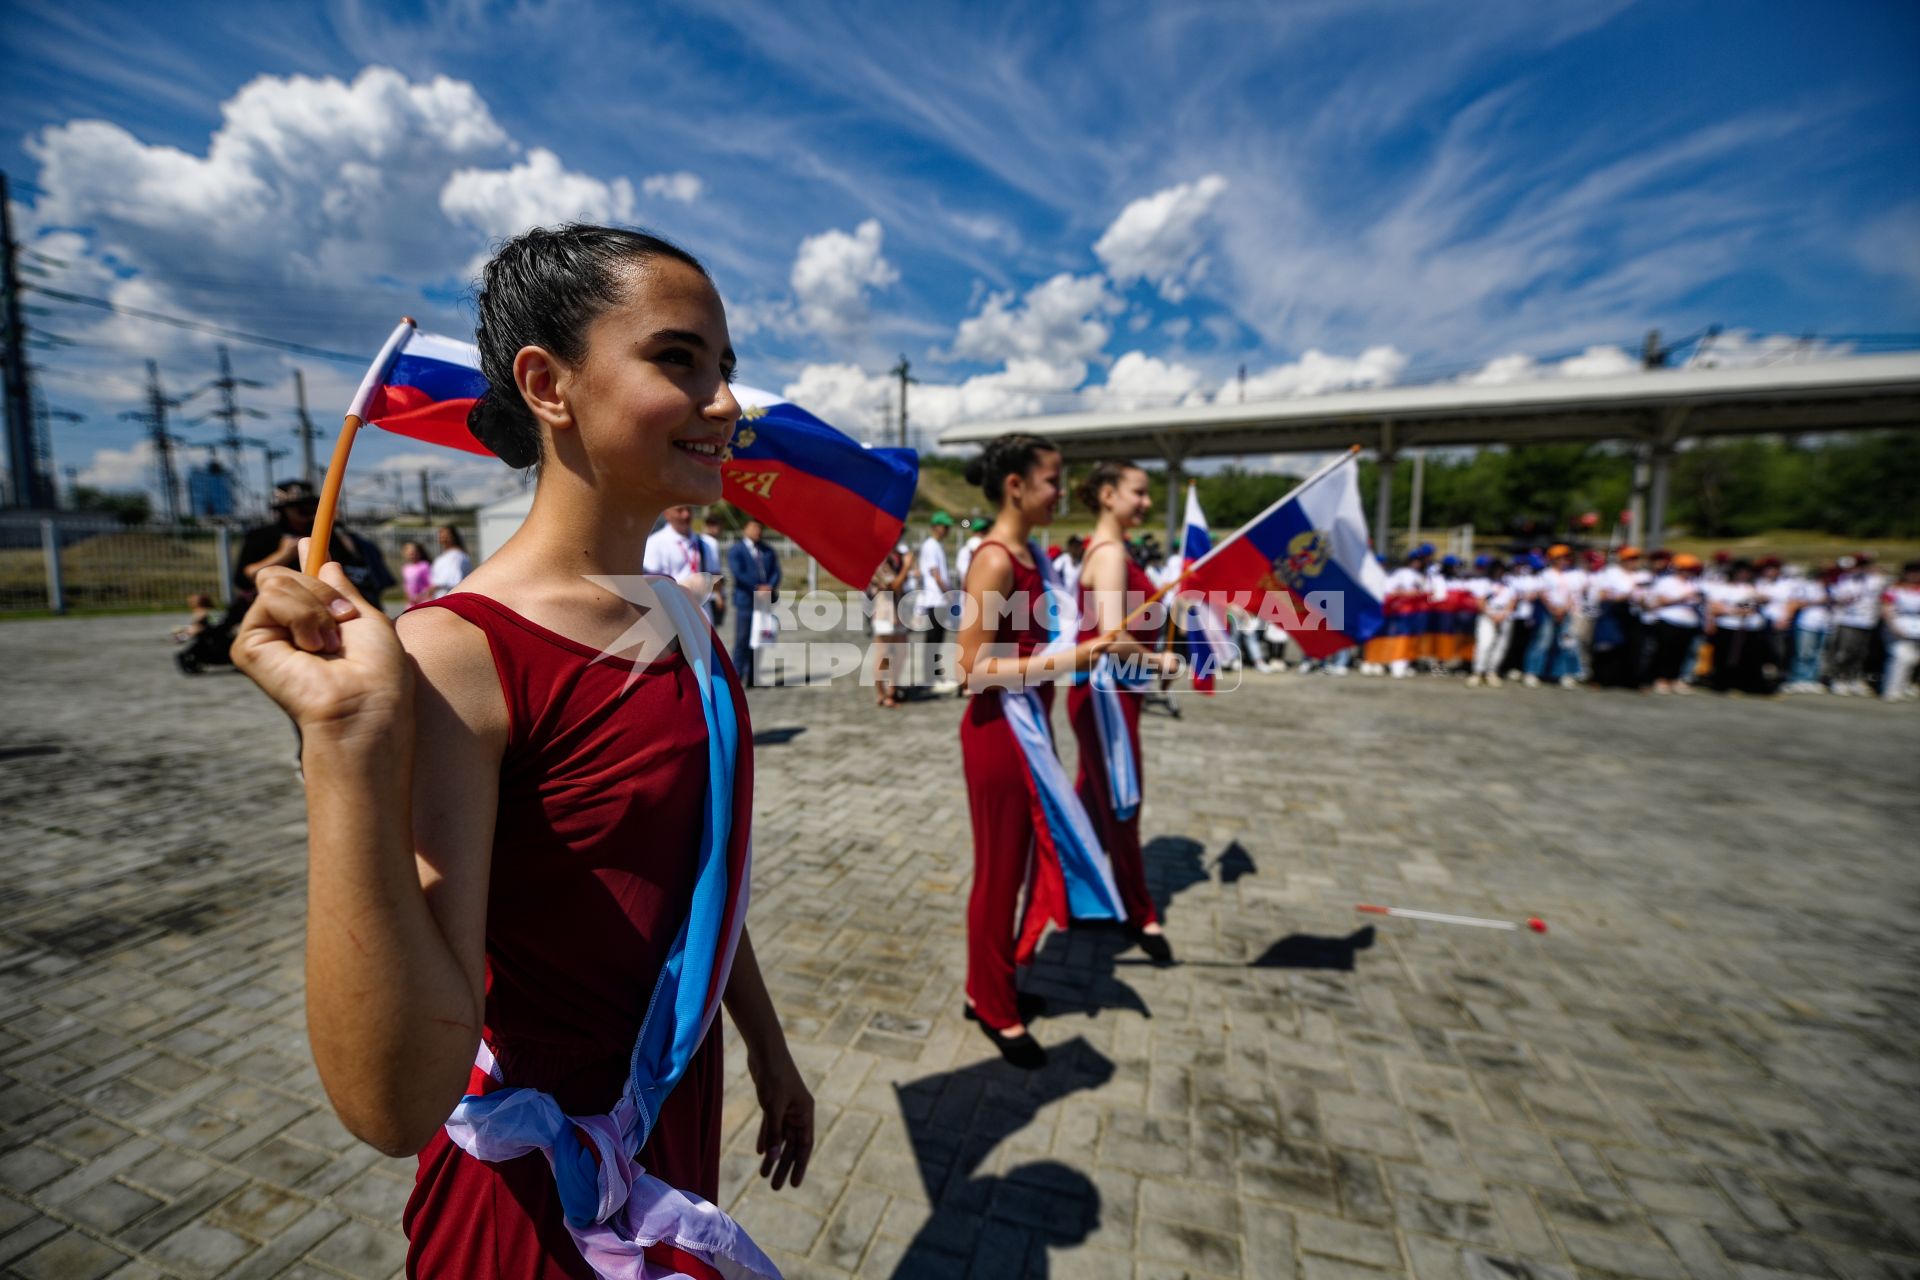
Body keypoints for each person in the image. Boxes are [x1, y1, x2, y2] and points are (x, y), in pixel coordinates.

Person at [229, 224, 809, 1278]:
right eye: (679, 360)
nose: (726, 401)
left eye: (724, 369)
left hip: (671, 1118)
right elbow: (395, 1100)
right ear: (547, 383)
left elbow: (697, 878)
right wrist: (351, 748)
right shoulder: (457, 654)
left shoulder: (679, 616)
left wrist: (768, 1047)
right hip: (527, 1205)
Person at [954, 435, 1122, 1069]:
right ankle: (994, 1006)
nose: (1061, 491)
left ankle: (989, 986)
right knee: (1000, 872)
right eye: (1053, 480)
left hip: (1028, 723)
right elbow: (969, 667)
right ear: (1016, 487)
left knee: (1018, 868)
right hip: (1000, 730)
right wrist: (1068, 659)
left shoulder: (1034, 556)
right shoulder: (994, 560)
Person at [1066, 461, 1182, 966]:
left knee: (1091, 802)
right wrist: (1160, 659)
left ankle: (1071, 893)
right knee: (1122, 801)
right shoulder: (1110, 553)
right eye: (1140, 493)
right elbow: (1110, 639)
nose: (1148, 503)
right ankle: (1139, 912)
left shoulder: (1109, 550)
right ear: (1109, 495)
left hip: (1110, 694)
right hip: (1106, 695)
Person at [235, 479, 395, 613]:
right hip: (277, 606)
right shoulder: (262, 535)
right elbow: (245, 577)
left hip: (323, 606)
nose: (307, 511)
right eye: (299, 506)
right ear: (284, 510)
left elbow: (353, 565)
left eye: (311, 505)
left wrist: (339, 528)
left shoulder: (328, 534)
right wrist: (283, 555)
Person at [727, 517, 781, 687]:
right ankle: (736, 678)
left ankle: (753, 677)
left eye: (759, 528)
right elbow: (738, 573)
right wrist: (758, 588)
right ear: (745, 530)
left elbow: (776, 571)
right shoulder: (736, 550)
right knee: (742, 639)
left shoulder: (767, 550)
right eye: (753, 528)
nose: (757, 532)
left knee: (759, 639)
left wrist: (769, 586)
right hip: (745, 601)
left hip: (764, 602)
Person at [643, 503, 718, 622]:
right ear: (667, 514)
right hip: (671, 617)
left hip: (702, 615)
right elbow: (648, 587)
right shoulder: (654, 544)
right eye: (679, 510)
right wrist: (684, 587)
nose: (686, 515)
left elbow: (716, 579)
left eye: (689, 509)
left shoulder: (706, 543)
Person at [1825, 554, 1885, 695]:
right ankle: (1838, 678)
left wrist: (1873, 570)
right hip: (1848, 621)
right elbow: (1838, 597)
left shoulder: (1875, 580)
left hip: (1867, 621)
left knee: (1861, 653)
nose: (1862, 568)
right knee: (1845, 652)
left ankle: (1853, 678)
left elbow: (1883, 585)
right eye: (1859, 565)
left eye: (1865, 565)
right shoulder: (1845, 579)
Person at [1523, 544, 1581, 689]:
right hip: (1547, 611)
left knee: (1565, 643)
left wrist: (1564, 609)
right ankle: (1532, 672)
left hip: (1566, 612)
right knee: (1542, 641)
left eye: (1566, 557)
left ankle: (1561, 673)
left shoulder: (1573, 574)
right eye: (1559, 557)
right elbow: (1542, 593)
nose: (1563, 560)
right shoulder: (1546, 574)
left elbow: (1573, 594)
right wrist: (1553, 609)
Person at [1647, 553, 1705, 694]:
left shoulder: (1693, 583)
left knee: (1682, 653)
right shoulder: (1666, 581)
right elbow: (1659, 601)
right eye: (1687, 569)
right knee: (1666, 651)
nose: (1689, 572)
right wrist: (1683, 598)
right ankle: (1661, 679)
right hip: (1669, 621)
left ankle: (1674, 679)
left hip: (1688, 622)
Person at [867, 541, 914, 708]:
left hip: (899, 614)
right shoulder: (879, 560)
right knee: (883, 654)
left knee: (901, 654)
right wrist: (907, 567)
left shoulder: (897, 559)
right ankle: (882, 693)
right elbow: (893, 585)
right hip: (884, 614)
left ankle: (893, 689)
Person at [914, 512, 956, 695]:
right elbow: (935, 573)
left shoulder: (936, 545)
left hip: (939, 600)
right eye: (944, 526)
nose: (946, 530)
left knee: (938, 641)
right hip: (934, 599)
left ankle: (935, 673)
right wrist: (948, 593)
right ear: (935, 526)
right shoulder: (931, 546)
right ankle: (929, 677)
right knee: (932, 641)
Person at [1587, 547, 1641, 689]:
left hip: (1631, 613)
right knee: (1607, 646)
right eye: (1630, 559)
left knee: (1628, 647)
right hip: (1612, 611)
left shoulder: (1639, 575)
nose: (1633, 562)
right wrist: (1621, 597)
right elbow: (1602, 594)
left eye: (1635, 559)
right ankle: (1599, 678)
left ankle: (1622, 679)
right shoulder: (1611, 573)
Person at [1784, 565, 1834, 692]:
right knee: (1804, 653)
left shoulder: (1831, 588)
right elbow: (1796, 603)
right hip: (1807, 624)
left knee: (1818, 654)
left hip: (1824, 625)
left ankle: (1812, 679)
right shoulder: (1808, 586)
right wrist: (1817, 601)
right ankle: (1798, 678)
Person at [1468, 561, 1516, 687]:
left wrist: (1503, 614)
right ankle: (1478, 672)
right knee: (1484, 644)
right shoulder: (1484, 583)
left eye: (1501, 569)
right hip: (1488, 615)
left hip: (1504, 615)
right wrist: (1491, 615)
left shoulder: (1509, 584)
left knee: (1500, 646)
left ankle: (1492, 672)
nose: (1498, 572)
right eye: (1496, 569)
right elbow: (1480, 601)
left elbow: (1512, 601)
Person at [1881, 561, 1920, 701]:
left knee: (1912, 659)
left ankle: (1903, 686)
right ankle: (1891, 689)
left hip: (1916, 629)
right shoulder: (1894, 588)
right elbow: (1886, 609)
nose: (1915, 575)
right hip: (1898, 626)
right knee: (1900, 658)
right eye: (1912, 572)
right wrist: (1894, 627)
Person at [701, 510, 729, 632]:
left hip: (701, 593)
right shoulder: (711, 543)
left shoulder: (699, 540)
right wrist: (719, 596)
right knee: (711, 632)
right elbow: (714, 573)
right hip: (711, 595)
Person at [428, 525, 471, 599]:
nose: (442, 536)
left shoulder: (456, 555)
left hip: (449, 597)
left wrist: (434, 587)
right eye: (440, 533)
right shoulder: (445, 555)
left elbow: (453, 579)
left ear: (453, 537)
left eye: (446, 534)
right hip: (441, 597)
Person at [402, 541, 433, 606]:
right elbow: (406, 585)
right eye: (409, 553)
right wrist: (408, 597)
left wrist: (420, 597)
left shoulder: (424, 565)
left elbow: (431, 584)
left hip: (424, 601)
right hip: (412, 603)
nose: (412, 555)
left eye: (414, 552)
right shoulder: (405, 568)